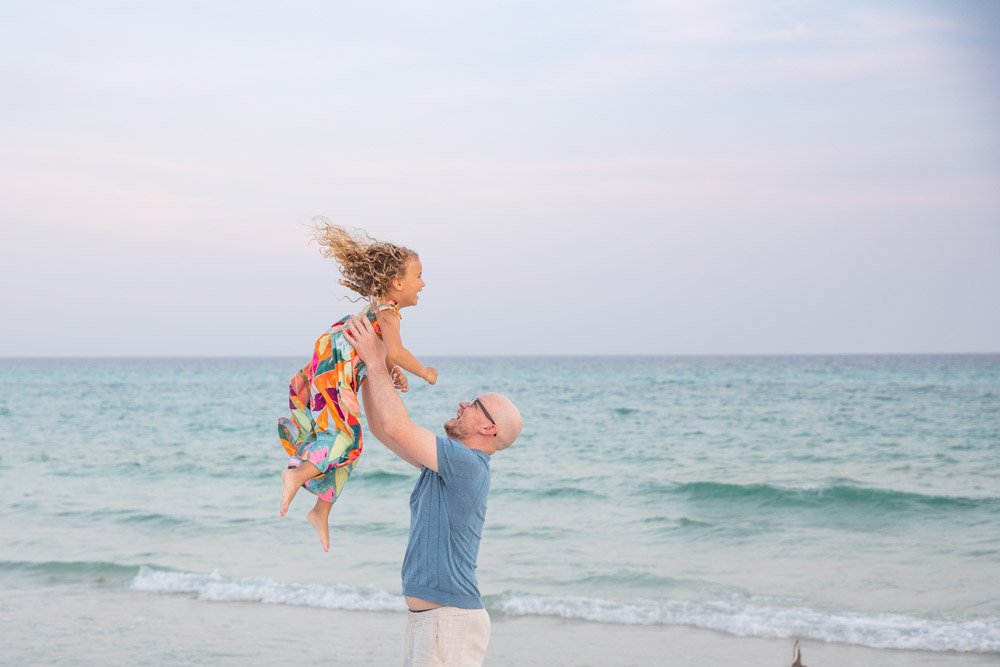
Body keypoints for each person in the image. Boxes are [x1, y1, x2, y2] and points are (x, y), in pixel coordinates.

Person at [343, 313, 522, 667]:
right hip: (434, 621)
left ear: (488, 427)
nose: (462, 404)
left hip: (449, 622)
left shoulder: (466, 464)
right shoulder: (447, 466)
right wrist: (367, 371)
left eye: (473, 404)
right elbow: (382, 429)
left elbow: (396, 425)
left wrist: (378, 362)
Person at [278, 219, 438, 551]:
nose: (423, 283)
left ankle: (321, 511)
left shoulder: (384, 309)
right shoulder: (388, 311)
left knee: (350, 447)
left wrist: (393, 372)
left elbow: (384, 354)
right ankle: (297, 473)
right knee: (345, 437)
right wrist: (425, 372)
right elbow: (395, 349)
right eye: (418, 276)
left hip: (336, 360)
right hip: (336, 363)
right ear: (397, 282)